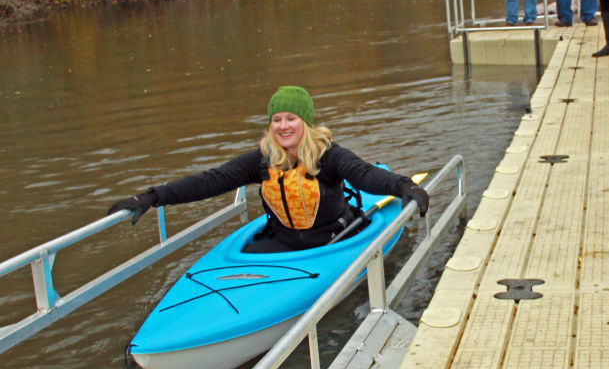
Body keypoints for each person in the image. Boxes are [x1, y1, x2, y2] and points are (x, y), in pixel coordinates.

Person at [106, 86, 430, 253]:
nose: (283, 126)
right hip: (285, 243)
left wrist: (403, 187)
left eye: (291, 118)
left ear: (306, 122)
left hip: (332, 241)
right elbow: (210, 181)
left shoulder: (327, 155)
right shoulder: (261, 161)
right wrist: (149, 197)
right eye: (276, 119)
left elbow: (363, 174)